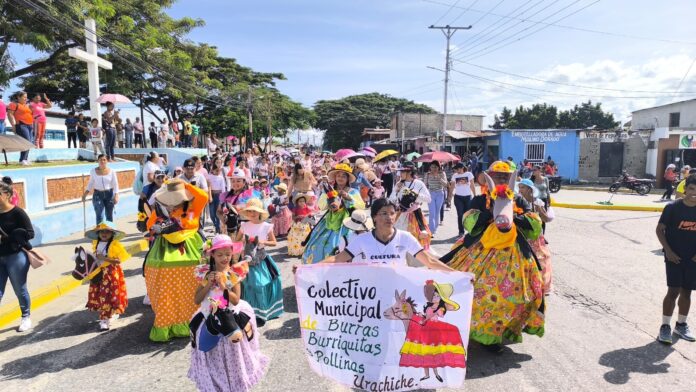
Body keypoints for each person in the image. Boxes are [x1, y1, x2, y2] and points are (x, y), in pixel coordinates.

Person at [442, 161, 544, 350]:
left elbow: (535, 225)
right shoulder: (481, 200)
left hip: (514, 256)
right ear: (490, 178)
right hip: (481, 252)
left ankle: (497, 331)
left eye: (504, 177)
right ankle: (482, 332)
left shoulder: (518, 200)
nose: (501, 179)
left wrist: (513, 217)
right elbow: (468, 221)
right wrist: (490, 215)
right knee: (480, 294)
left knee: (515, 296)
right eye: (497, 176)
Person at [188, 234, 269, 391]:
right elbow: (197, 299)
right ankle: (216, 381)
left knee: (233, 354)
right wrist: (208, 285)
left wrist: (224, 285)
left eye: (228, 254)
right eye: (220, 255)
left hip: (230, 318)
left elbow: (236, 300)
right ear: (212, 254)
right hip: (209, 317)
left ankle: (236, 380)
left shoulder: (234, 274)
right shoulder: (205, 274)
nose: (225, 258)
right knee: (213, 353)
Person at [144, 179, 208, 341]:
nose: (174, 204)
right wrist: (159, 226)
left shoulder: (193, 207)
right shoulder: (160, 210)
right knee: (165, 288)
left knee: (200, 278)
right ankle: (168, 323)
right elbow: (150, 226)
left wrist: (184, 185)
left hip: (192, 246)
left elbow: (203, 196)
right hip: (164, 250)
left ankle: (194, 319)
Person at [319, 198, 453, 271]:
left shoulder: (405, 237)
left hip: (399, 293)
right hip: (371, 293)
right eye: (384, 213)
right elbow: (337, 259)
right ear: (374, 217)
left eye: (392, 213)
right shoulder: (362, 240)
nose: (389, 217)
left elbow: (429, 261)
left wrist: (456, 274)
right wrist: (307, 269)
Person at [656, 174, 696, 345]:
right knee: (673, 292)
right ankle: (665, 326)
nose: (694, 193)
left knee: (687, 292)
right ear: (685, 189)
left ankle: (681, 324)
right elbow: (660, 230)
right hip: (674, 258)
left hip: (693, 259)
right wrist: (668, 251)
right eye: (692, 189)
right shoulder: (672, 208)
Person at [302, 164, 364, 264]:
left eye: (343, 176)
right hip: (329, 222)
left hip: (347, 224)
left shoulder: (353, 191)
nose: (340, 178)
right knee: (318, 246)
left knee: (343, 246)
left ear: (348, 179)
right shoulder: (329, 190)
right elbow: (321, 206)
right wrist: (329, 199)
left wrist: (348, 197)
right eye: (338, 175)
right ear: (335, 177)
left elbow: (361, 206)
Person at [237, 199, 284, 325]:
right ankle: (250, 312)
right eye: (250, 211)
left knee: (262, 284)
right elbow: (236, 241)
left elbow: (274, 243)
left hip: (261, 258)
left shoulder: (266, 226)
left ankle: (264, 311)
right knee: (248, 285)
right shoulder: (244, 226)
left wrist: (263, 242)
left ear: (260, 212)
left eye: (255, 211)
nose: (252, 213)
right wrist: (240, 247)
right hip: (247, 258)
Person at [0, 181, 34, 332]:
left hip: (16, 257)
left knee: (19, 289)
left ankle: (26, 316)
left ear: (7, 195)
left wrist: (14, 235)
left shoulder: (18, 212)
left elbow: (30, 233)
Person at [84, 221, 130, 331]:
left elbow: (118, 261)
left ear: (112, 234)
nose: (104, 234)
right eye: (102, 232)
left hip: (111, 273)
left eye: (107, 232)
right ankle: (107, 315)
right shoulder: (96, 243)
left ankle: (105, 319)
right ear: (98, 233)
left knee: (109, 294)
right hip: (99, 273)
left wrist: (104, 258)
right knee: (101, 294)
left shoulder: (115, 245)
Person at [518, 179, 553, 294]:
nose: (520, 190)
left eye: (522, 187)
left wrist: (540, 211)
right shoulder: (517, 202)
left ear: (529, 189)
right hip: (523, 236)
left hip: (536, 237)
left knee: (542, 260)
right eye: (520, 187)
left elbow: (547, 219)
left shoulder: (538, 202)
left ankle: (543, 286)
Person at [390, 161, 432, 252]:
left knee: (415, 240)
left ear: (409, 172)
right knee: (398, 239)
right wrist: (397, 190)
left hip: (414, 215)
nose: (400, 174)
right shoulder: (398, 184)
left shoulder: (419, 183)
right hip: (400, 215)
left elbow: (428, 199)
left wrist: (414, 194)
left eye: (402, 172)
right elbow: (391, 199)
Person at [82, 154, 120, 226]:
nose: (102, 161)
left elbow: (115, 184)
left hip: (109, 194)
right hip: (98, 195)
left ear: (107, 161)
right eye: (100, 160)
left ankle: (109, 233)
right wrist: (85, 194)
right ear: (98, 161)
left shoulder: (112, 171)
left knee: (109, 216)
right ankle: (100, 234)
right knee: (100, 216)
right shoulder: (93, 171)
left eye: (104, 160)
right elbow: (90, 183)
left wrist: (116, 196)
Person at [6, 91, 34, 165]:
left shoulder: (26, 106)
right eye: (24, 97)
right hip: (21, 125)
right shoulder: (13, 104)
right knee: (26, 142)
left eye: (26, 97)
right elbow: (10, 114)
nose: (26, 98)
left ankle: (25, 159)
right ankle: (22, 160)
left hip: (30, 126)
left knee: (30, 143)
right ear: (18, 97)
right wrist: (13, 125)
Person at [450, 163, 476, 236]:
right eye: (456, 169)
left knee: (467, 215)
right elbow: (452, 186)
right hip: (458, 197)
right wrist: (449, 197)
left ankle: (469, 229)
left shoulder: (469, 174)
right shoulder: (455, 176)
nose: (456, 170)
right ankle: (461, 232)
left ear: (462, 168)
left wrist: (475, 195)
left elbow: (472, 185)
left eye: (458, 169)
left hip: (467, 197)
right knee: (460, 214)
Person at [423, 161, 447, 236]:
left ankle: (435, 228)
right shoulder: (427, 174)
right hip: (431, 194)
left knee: (437, 212)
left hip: (440, 194)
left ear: (438, 167)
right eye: (432, 167)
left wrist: (439, 178)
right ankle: (431, 230)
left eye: (436, 167)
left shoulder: (442, 173)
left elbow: (446, 185)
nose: (434, 169)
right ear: (430, 167)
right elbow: (424, 185)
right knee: (432, 212)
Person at [287, 193, 313, 257]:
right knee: (296, 238)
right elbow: (293, 218)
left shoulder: (307, 208)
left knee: (304, 237)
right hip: (297, 226)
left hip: (305, 226)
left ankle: (304, 251)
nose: (302, 203)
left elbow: (310, 216)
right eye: (300, 201)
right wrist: (298, 216)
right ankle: (296, 251)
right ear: (297, 202)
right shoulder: (295, 209)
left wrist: (307, 216)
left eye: (303, 201)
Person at [207, 163, 227, 234]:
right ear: (212, 170)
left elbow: (223, 188)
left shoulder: (221, 177)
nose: (218, 172)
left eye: (219, 170)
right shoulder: (209, 177)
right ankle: (215, 225)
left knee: (217, 212)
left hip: (219, 195)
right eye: (216, 170)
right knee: (212, 213)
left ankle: (218, 227)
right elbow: (207, 186)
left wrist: (223, 198)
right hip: (211, 195)